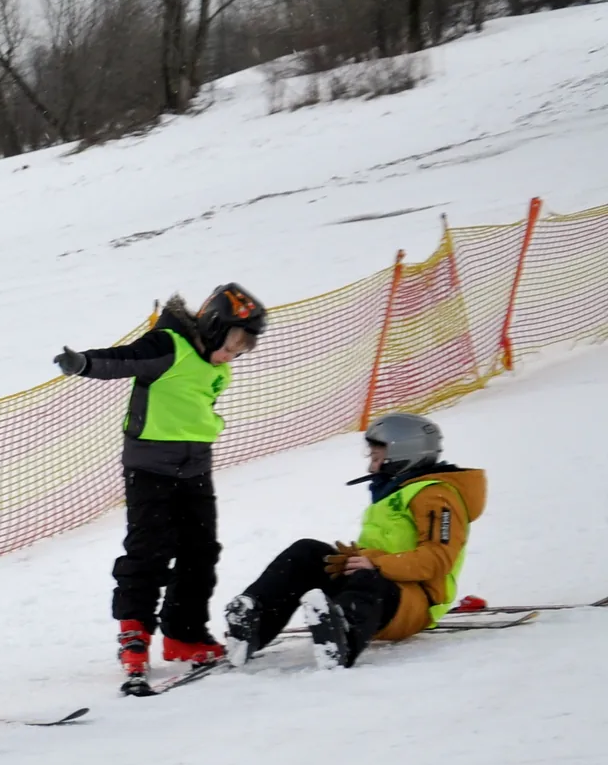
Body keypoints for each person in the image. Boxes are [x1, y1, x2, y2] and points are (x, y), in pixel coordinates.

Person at [53, 281, 268, 687]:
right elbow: (124, 360)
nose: (233, 355)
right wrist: (83, 363)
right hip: (149, 468)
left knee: (201, 550)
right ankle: (135, 633)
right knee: (149, 549)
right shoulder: (169, 345)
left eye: (242, 349)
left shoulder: (216, 367)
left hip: (195, 467)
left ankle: (183, 634)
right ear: (214, 327)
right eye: (232, 344)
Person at [222, 411, 485, 669]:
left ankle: (342, 637)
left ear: (403, 454)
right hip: (378, 588)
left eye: (376, 456)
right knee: (307, 553)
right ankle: (253, 625)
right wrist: (359, 558)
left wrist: (376, 565)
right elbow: (387, 548)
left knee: (368, 578)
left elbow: (438, 559)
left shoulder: (436, 496)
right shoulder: (397, 491)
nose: (371, 464)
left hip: (414, 603)